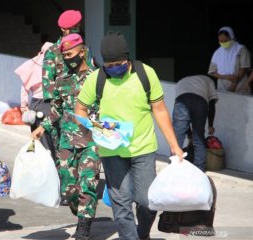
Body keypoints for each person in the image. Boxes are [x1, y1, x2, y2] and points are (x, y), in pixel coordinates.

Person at [75, 31, 183, 240]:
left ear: (128, 58)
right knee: (121, 203)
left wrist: (174, 145)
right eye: (109, 65)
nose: (114, 68)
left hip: (142, 149)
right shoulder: (96, 79)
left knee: (147, 200)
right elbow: (80, 109)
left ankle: (142, 234)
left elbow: (159, 109)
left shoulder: (145, 74)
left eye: (119, 63)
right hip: (111, 150)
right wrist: (91, 130)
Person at [32, 34, 101, 240]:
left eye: (70, 54)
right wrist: (42, 126)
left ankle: (84, 227)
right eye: (64, 56)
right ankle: (79, 210)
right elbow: (57, 108)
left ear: (82, 51)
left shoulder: (97, 78)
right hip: (67, 141)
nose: (68, 59)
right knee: (69, 188)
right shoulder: (61, 79)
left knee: (88, 183)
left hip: (91, 141)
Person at [42, 9, 96, 206]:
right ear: (65, 29)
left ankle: (83, 195)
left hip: (85, 115)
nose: (78, 30)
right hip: (62, 110)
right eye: (75, 27)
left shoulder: (83, 48)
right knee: (64, 160)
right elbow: (49, 89)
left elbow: (91, 73)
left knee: (84, 163)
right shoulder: (52, 53)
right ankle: (69, 190)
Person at [15, 42, 57, 160]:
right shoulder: (52, 64)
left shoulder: (32, 63)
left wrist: (24, 107)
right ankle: (51, 165)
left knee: (36, 137)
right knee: (49, 139)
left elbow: (24, 88)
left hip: (34, 104)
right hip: (47, 104)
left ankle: (39, 164)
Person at [172, 75, 219, 172]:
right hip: (200, 101)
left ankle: (173, 167)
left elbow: (184, 122)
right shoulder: (209, 80)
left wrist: (189, 135)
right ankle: (199, 169)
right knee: (199, 138)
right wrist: (210, 125)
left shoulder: (182, 81)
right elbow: (211, 105)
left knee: (177, 137)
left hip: (181, 99)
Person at [208, 26, 251, 94]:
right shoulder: (217, 53)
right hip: (222, 88)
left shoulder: (241, 49)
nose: (223, 43)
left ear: (232, 37)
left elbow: (244, 67)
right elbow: (212, 71)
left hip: (239, 87)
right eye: (221, 41)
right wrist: (226, 77)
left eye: (225, 41)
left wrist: (234, 84)